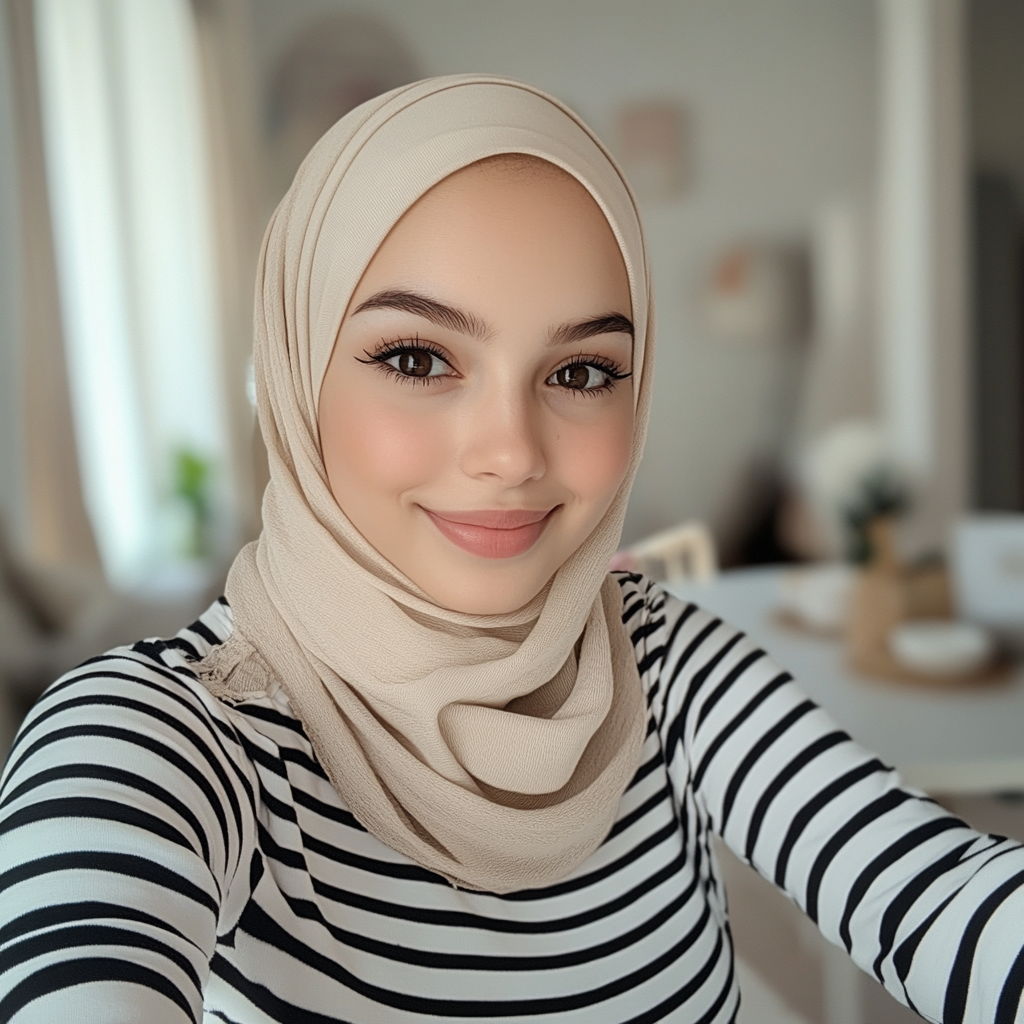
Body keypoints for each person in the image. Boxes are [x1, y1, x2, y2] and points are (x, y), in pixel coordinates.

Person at [1, 74, 1022, 1024]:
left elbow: (941, 896)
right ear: (296, 370)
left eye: (581, 371)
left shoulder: (666, 664)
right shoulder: (168, 732)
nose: (510, 453)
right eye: (416, 356)